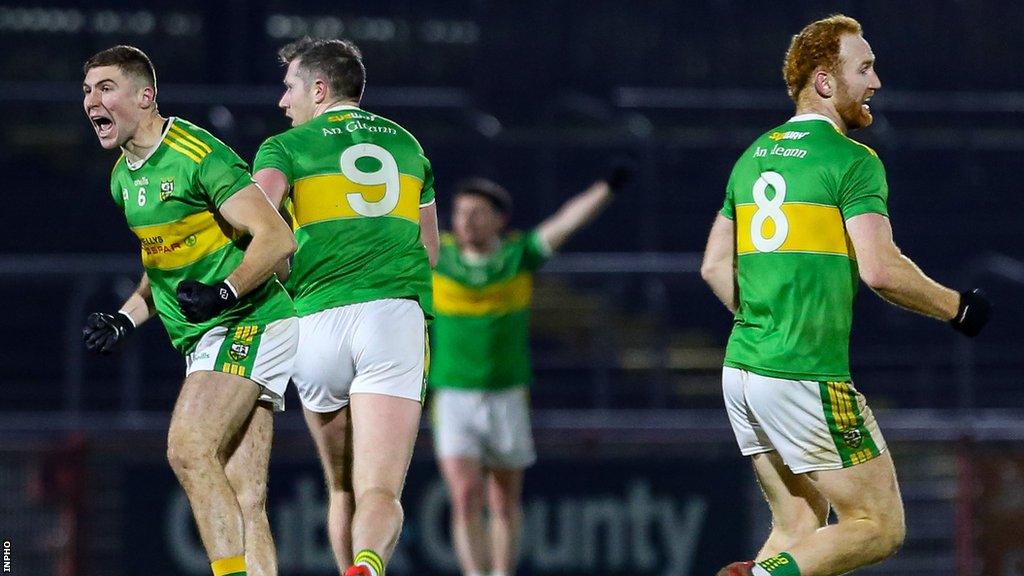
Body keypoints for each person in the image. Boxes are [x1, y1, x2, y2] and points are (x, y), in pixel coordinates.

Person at [700, 15, 991, 576]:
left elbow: (714, 266)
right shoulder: (851, 160)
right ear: (826, 83)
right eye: (865, 68)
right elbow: (881, 270)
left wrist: (765, 317)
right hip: (802, 370)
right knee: (876, 527)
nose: (877, 81)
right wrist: (959, 307)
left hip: (743, 369)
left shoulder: (752, 155)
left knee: (798, 527)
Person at [81, 45, 298, 576]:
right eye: (87, 91)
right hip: (211, 334)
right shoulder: (122, 178)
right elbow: (162, 267)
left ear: (145, 95)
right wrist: (124, 317)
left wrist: (224, 291)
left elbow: (276, 238)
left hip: (249, 320)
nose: (91, 102)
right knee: (245, 496)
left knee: (188, 446)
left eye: (105, 88)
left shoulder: (198, 153)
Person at [251, 37, 437, 576]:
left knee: (340, 485)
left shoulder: (283, 148)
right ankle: (369, 564)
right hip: (391, 318)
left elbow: (257, 224)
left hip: (316, 321)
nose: (283, 102)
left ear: (318, 88)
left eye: (289, 88)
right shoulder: (408, 145)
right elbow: (430, 251)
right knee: (380, 488)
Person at [430, 171, 626, 576]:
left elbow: (566, 222)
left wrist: (605, 185)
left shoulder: (518, 256)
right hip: (453, 395)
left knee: (503, 501)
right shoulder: (438, 256)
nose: (466, 221)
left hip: (506, 394)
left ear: (499, 220)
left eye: (478, 213)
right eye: (461, 212)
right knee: (465, 498)